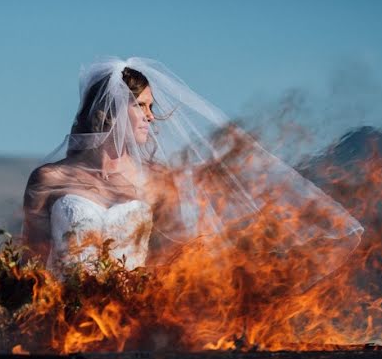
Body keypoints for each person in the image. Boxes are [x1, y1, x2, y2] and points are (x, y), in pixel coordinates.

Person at [23, 57, 363, 284]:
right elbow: (32, 262)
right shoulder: (50, 179)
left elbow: (169, 257)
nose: (151, 117)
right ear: (108, 110)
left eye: (151, 107)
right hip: (65, 317)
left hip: (130, 316)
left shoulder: (156, 181)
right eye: (140, 106)